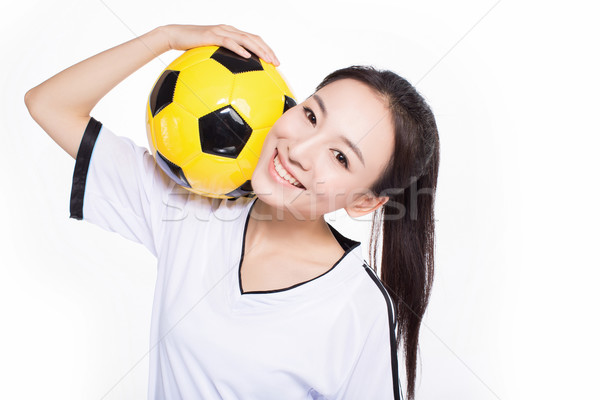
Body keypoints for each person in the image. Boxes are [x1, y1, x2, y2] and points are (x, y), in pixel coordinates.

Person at [24, 24, 439, 400]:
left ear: (365, 202)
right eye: (311, 115)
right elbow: (49, 104)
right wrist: (165, 38)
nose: (299, 150)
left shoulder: (356, 307)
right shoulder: (191, 206)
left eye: (340, 157)